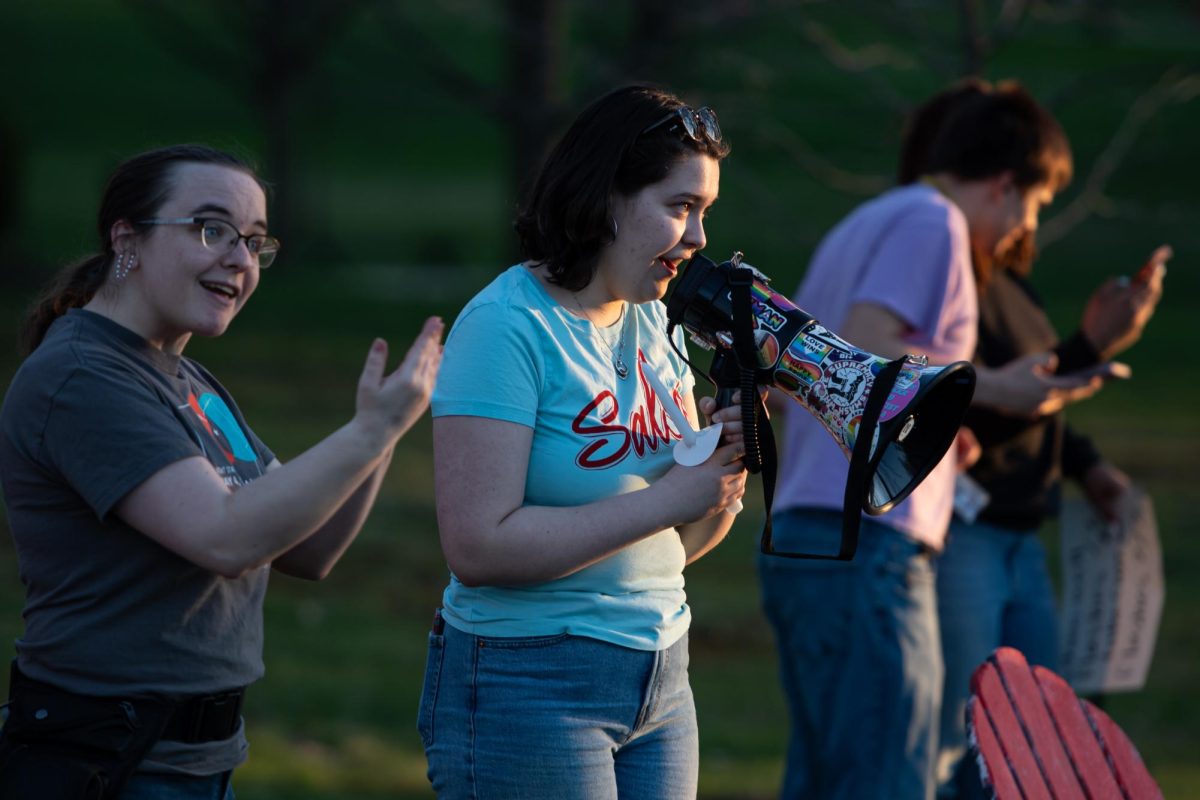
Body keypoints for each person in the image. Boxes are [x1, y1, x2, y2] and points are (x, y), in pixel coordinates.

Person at [0, 144, 444, 799]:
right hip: (108, 764)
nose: (239, 259)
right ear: (129, 239)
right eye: (212, 230)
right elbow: (226, 539)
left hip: (194, 763)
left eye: (255, 242)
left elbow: (307, 546)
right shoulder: (83, 377)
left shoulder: (189, 383)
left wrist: (382, 433)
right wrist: (369, 432)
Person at [757, 81, 1096, 800]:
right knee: (890, 779)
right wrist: (1000, 388)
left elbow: (810, 385)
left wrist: (942, 439)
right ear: (1005, 186)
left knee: (824, 779)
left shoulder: (870, 219)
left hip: (808, 536)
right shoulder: (933, 224)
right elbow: (877, 359)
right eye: (1032, 210)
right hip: (870, 548)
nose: (1021, 234)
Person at [420, 85, 746, 799]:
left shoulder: (657, 327)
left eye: (704, 213)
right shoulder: (508, 326)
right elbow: (476, 548)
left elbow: (674, 543)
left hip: (662, 676)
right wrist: (670, 499)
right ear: (605, 199)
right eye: (679, 207)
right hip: (529, 681)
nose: (698, 241)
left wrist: (725, 471)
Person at [899, 85, 1168, 800]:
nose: (1029, 218)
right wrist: (1091, 345)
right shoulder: (950, 281)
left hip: (1023, 535)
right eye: (1033, 199)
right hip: (969, 532)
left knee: (1038, 740)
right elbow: (966, 401)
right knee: (968, 742)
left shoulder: (1011, 285)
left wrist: (1086, 465)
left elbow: (1032, 402)